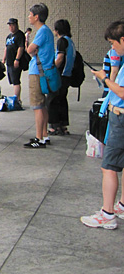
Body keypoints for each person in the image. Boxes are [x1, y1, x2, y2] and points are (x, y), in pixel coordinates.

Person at [81, 19, 124, 229]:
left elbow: (122, 92)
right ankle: (122, 205)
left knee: (109, 166)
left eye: (113, 43)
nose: (112, 48)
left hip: (121, 118)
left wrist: (105, 79)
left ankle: (107, 214)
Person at [24, 3, 55, 149]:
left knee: (37, 106)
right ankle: (44, 135)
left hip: (37, 71)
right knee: (42, 105)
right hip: (43, 71)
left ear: (36, 17)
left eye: (30, 14)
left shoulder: (42, 31)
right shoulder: (47, 31)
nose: (29, 17)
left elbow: (30, 49)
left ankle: (39, 138)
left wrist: (28, 41)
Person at [47, 19, 76, 135]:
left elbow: (60, 58)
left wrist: (51, 70)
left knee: (52, 100)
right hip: (67, 75)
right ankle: (63, 125)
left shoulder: (62, 41)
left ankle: (54, 126)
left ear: (57, 30)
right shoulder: (70, 41)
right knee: (62, 100)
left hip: (60, 75)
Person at [3, 18, 26, 105]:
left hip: (15, 61)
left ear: (16, 25)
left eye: (12, 25)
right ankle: (16, 98)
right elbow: (6, 48)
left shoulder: (20, 35)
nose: (11, 27)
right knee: (12, 80)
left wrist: (17, 59)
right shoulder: (9, 36)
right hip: (9, 62)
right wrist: (3, 59)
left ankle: (17, 99)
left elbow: (21, 47)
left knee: (16, 80)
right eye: (9, 25)